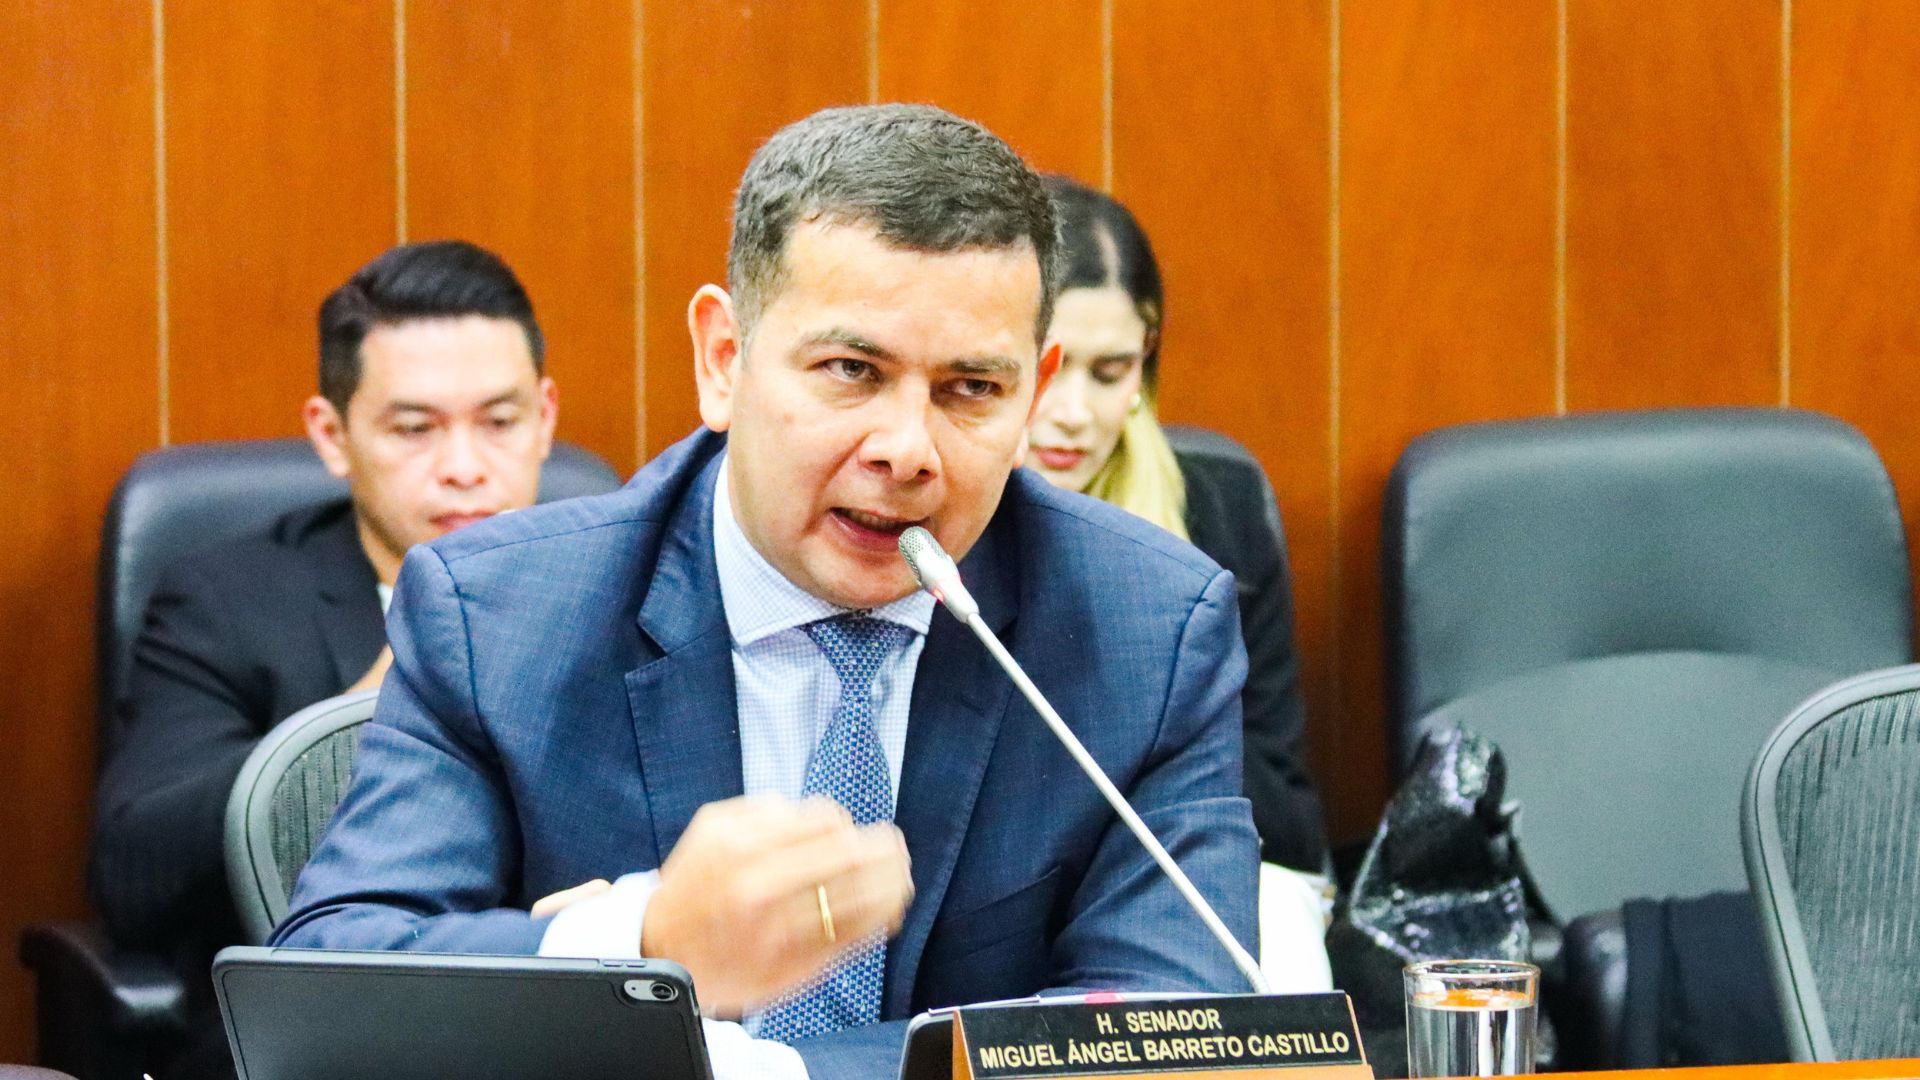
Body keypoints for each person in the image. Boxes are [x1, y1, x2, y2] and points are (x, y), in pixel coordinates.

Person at [273, 105, 1259, 1079]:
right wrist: (645, 941)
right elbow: (328, 996)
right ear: (724, 358)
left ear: (1032, 391)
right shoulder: (501, 615)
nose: (908, 451)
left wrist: (757, 1071)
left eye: (972, 390)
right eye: (851, 370)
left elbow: (1177, 1037)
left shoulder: (1150, 629)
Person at [89, 240, 560, 1073]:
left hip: (577, 1021)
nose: (464, 469)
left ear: (546, 418)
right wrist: (376, 703)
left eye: (499, 422)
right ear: (333, 435)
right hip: (330, 1039)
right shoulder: (228, 601)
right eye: (414, 429)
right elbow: (135, 871)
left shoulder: (622, 587)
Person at [1026, 175, 1328, 874]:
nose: (1074, 412)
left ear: (1147, 359)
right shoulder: (932, 524)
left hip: (1188, 869)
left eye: (1110, 372)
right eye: (1049, 368)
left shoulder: (1218, 512)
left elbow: (1287, 822)